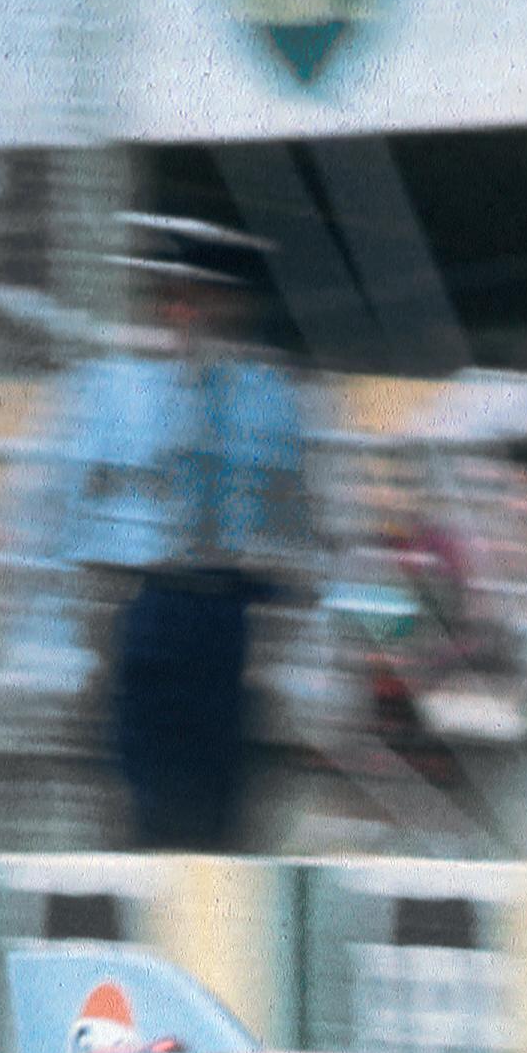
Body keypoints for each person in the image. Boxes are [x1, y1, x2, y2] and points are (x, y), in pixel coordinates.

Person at [35, 217, 316, 850]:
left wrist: (291, 660)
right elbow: (62, 516)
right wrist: (62, 647)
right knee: (136, 812)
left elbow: (298, 532)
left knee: (222, 819)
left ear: (232, 306)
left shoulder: (272, 398)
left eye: (200, 298)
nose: (182, 315)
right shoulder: (109, 390)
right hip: (135, 611)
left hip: (231, 619)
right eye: (169, 297)